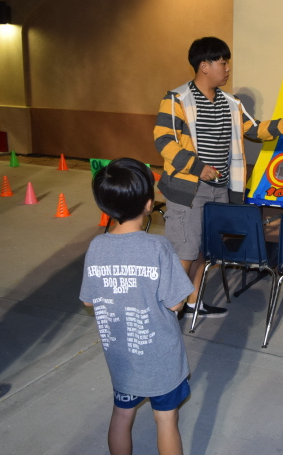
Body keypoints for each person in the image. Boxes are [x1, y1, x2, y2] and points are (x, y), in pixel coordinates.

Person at [154, 37, 283, 318]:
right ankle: (165, 314)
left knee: (203, 250)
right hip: (188, 190)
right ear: (204, 66)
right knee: (184, 252)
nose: (228, 69)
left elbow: (255, 130)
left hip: (219, 190)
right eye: (223, 63)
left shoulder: (231, 103)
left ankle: (193, 304)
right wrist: (197, 167)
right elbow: (164, 141)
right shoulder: (176, 100)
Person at [80, 158, 194, 455]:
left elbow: (89, 300)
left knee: (121, 415)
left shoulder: (96, 246)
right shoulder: (158, 247)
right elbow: (176, 303)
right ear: (148, 204)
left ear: (105, 207)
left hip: (122, 359)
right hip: (161, 360)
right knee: (166, 420)